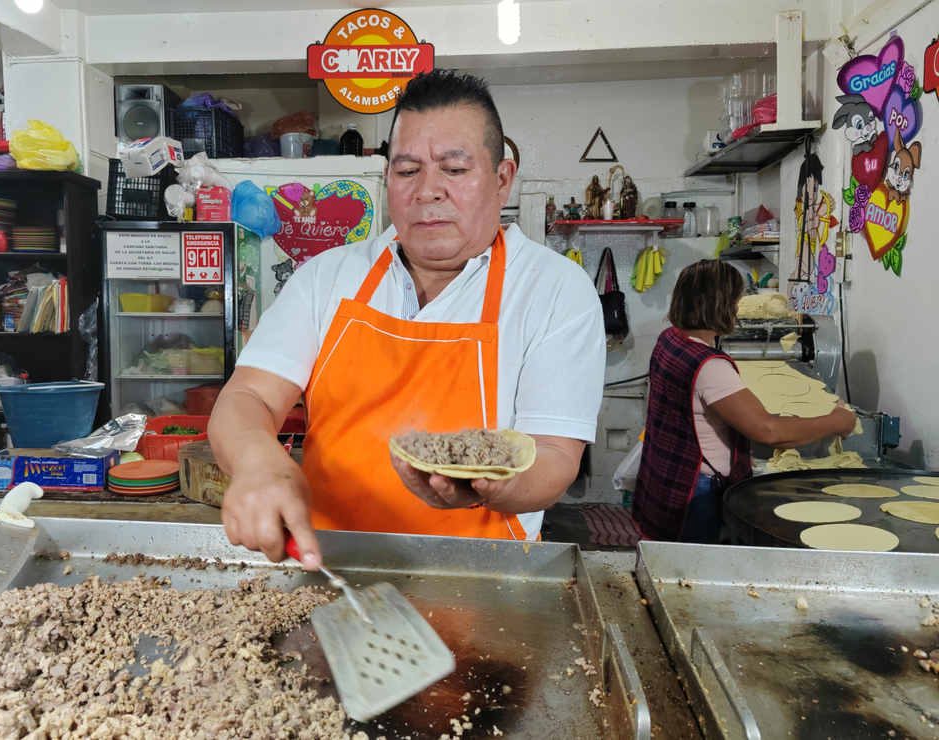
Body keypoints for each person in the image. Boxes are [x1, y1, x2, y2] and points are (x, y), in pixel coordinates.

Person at [210, 70, 606, 569]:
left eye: (455, 170)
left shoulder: (554, 290)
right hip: (329, 568)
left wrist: (489, 484)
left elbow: (553, 454)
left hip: (485, 580)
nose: (427, 191)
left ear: (502, 179)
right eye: (407, 170)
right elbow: (248, 397)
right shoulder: (326, 278)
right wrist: (256, 462)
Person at [631, 260, 856, 543]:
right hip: (696, 492)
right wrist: (837, 421)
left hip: (664, 479)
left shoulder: (670, 340)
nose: (738, 307)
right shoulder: (709, 367)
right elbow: (768, 431)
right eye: (737, 299)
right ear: (721, 305)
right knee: (696, 573)